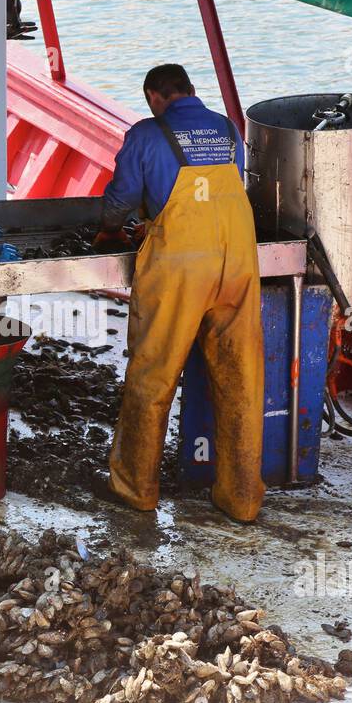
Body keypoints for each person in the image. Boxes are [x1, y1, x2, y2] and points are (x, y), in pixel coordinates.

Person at [95, 64, 266, 523]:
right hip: (238, 261)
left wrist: (111, 229)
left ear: (154, 97)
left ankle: (135, 488)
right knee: (240, 376)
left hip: (181, 266)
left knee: (153, 373)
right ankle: (242, 496)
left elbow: (120, 201)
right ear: (191, 91)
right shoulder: (227, 128)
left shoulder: (147, 134)